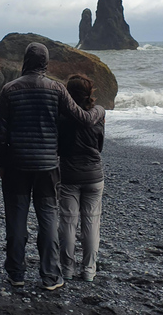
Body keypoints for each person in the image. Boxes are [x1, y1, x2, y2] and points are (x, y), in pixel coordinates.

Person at [0, 42, 105, 291]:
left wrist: (1, 163)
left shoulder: (9, 90)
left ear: (25, 61)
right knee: (48, 219)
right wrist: (100, 110)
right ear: (45, 63)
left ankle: (16, 273)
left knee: (17, 220)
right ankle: (50, 276)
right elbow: (83, 118)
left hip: (16, 165)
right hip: (47, 167)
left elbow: (0, 133)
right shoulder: (56, 89)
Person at [57, 75, 105, 282]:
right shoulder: (98, 115)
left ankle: (67, 269)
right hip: (94, 174)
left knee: (68, 222)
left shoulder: (62, 117)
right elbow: (100, 145)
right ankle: (89, 269)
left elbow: (58, 147)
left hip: (69, 174)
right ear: (90, 93)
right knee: (91, 221)